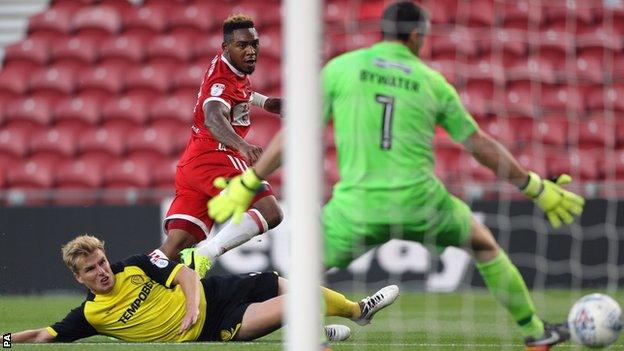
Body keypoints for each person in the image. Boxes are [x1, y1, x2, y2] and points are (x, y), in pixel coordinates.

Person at [206, 2, 586, 350]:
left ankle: (312, 340)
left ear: (382, 32)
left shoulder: (342, 68)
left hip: (356, 207)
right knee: (484, 247)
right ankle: (535, 333)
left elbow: (297, 134)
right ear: (417, 36)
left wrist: (250, 180)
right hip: (422, 202)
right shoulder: (431, 81)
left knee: (301, 271)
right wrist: (534, 186)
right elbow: (480, 145)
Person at [11, 235, 399, 343]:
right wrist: (5, 342)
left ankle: (357, 310)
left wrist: (193, 304)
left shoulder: (133, 265)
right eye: (90, 270)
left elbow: (185, 276)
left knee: (279, 281)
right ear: (78, 278)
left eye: (100, 262)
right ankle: (313, 334)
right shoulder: (91, 316)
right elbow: (43, 335)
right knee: (299, 301)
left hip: (213, 293)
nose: (101, 272)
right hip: (216, 324)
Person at [152, 14, 284, 277]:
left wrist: (266, 103)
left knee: (174, 248)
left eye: (254, 44)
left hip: (193, 162)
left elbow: (239, 91)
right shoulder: (220, 81)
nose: (250, 51)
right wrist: (242, 145)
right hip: (217, 155)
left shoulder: (230, 67)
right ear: (226, 48)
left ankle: (134, 288)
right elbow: (213, 116)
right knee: (270, 212)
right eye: (242, 45)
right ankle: (206, 255)